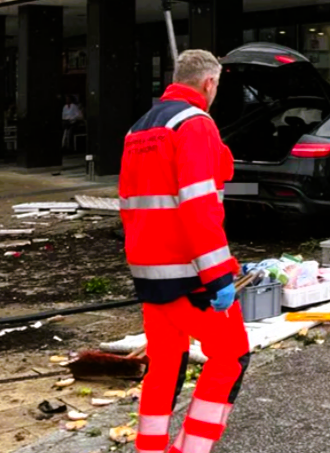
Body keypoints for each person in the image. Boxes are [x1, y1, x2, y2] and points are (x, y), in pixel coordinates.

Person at [120, 49, 248, 453]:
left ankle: (151, 447)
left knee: (165, 365)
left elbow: (136, 197)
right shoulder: (195, 124)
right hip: (188, 272)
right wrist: (218, 275)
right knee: (231, 357)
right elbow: (198, 205)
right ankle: (191, 448)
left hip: (148, 269)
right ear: (209, 83)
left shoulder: (139, 128)